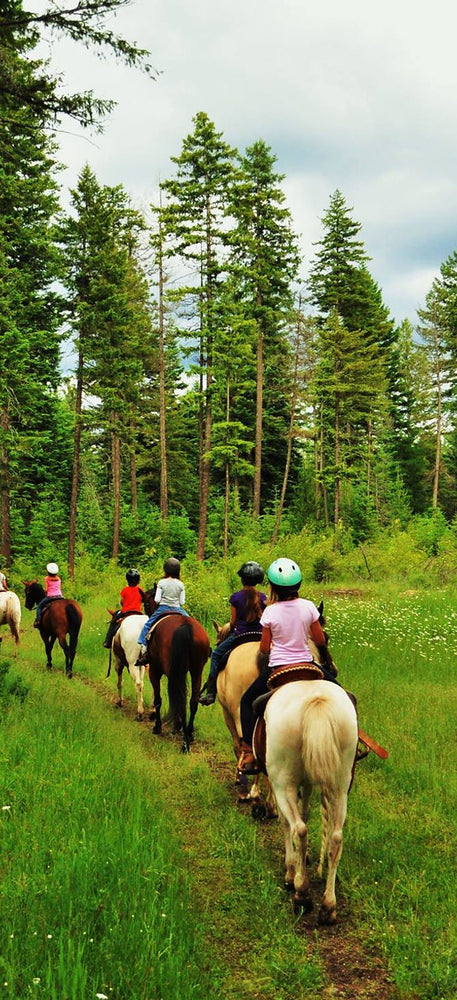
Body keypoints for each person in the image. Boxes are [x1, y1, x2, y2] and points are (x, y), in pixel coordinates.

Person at [237, 557, 337, 774]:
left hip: (279, 668)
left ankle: (248, 751)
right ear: (298, 584)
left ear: (272, 587)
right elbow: (319, 640)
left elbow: (264, 648)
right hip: (307, 665)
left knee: (246, 702)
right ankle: (350, 742)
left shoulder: (271, 612)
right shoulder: (309, 607)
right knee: (342, 694)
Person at [199, 561, 267, 705]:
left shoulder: (236, 598)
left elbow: (234, 622)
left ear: (242, 579)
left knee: (217, 655)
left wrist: (231, 627)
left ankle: (210, 692)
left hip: (241, 635)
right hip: (260, 636)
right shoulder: (263, 598)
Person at [135, 557, 188, 665]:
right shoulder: (180, 584)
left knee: (147, 625)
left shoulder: (162, 582)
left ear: (165, 570)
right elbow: (182, 602)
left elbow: (157, 600)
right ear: (178, 570)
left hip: (163, 608)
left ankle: (144, 648)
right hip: (178, 608)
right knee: (192, 622)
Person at [103, 568, 145, 648]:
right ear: (138, 581)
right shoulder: (140, 590)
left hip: (126, 613)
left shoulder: (125, 590)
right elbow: (143, 599)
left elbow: (122, 601)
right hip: (138, 612)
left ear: (127, 580)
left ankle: (108, 641)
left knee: (114, 622)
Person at [34, 561, 63, 627]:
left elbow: (46, 589)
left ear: (48, 572)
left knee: (39, 607)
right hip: (60, 596)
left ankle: (38, 621)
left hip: (50, 597)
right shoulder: (58, 579)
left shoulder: (46, 579)